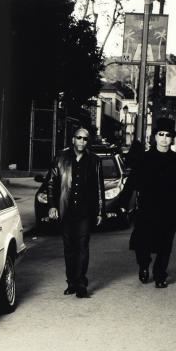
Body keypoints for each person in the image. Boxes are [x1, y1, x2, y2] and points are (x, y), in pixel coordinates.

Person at [119, 118, 176, 288]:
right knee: (142, 242)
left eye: (168, 135)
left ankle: (160, 275)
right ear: (156, 136)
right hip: (146, 207)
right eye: (161, 134)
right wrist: (123, 202)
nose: (164, 138)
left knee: (165, 244)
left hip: (168, 208)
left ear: (172, 138)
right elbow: (131, 182)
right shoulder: (144, 158)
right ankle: (144, 265)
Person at [45, 127, 105, 298]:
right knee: (69, 248)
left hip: (85, 212)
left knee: (83, 246)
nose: (81, 141)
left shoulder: (94, 161)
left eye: (85, 139)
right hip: (66, 210)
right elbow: (51, 183)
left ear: (88, 142)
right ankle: (71, 282)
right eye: (79, 137)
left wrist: (100, 212)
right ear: (73, 139)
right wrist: (52, 206)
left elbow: (99, 188)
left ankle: (81, 283)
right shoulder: (60, 158)